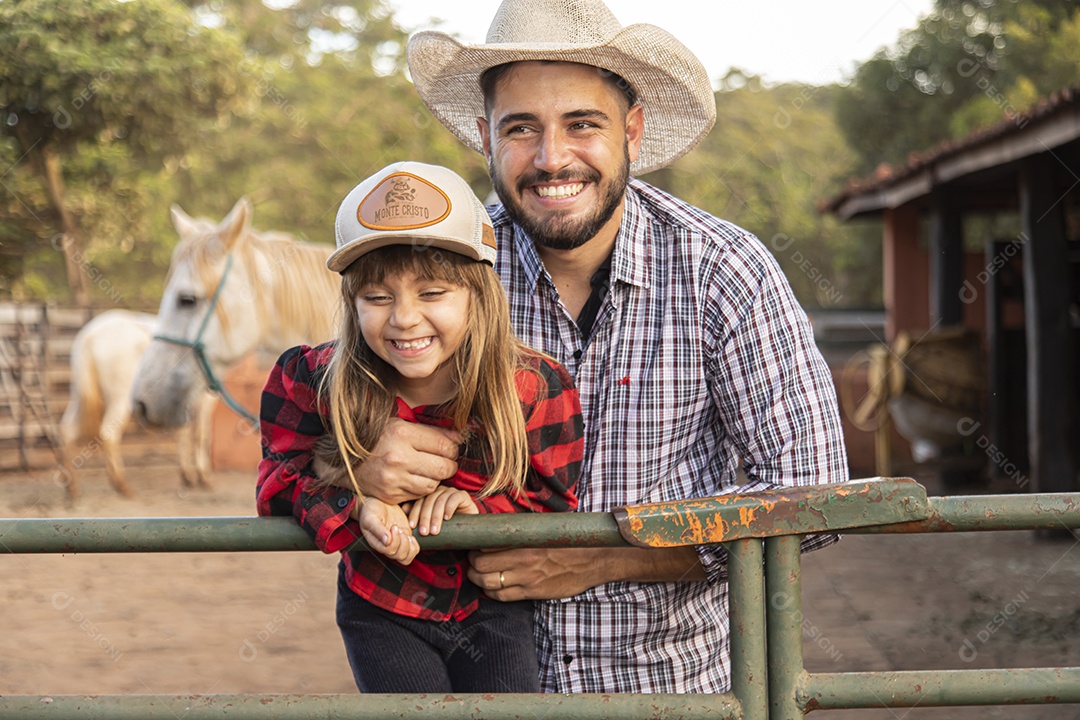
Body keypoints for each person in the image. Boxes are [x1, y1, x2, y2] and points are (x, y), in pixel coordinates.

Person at [323, 0, 849, 695]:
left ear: (632, 128)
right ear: (484, 136)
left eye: (582, 124)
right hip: (485, 694)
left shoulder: (725, 270)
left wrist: (606, 556)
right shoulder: (434, 280)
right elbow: (314, 422)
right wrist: (356, 465)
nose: (551, 158)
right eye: (520, 129)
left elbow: (814, 493)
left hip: (678, 693)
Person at [255, 161, 584, 694]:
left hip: (494, 610)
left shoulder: (533, 387)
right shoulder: (312, 380)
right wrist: (356, 500)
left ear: (479, 295)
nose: (404, 318)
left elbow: (554, 499)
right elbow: (275, 486)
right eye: (377, 298)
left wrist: (478, 510)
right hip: (380, 605)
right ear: (352, 302)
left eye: (432, 294)